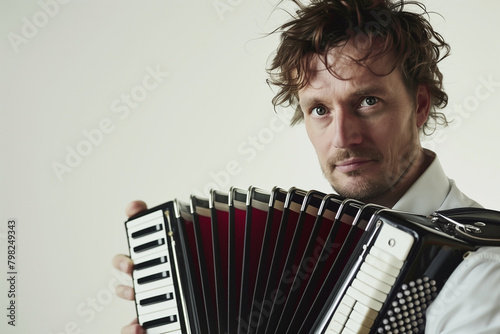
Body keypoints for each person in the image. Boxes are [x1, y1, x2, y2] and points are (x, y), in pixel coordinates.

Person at [113, 0, 500, 333]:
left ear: (419, 105)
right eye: (319, 110)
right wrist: (177, 306)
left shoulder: (483, 271)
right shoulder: (305, 250)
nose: (343, 137)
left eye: (367, 101)